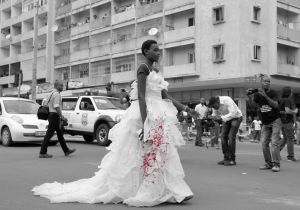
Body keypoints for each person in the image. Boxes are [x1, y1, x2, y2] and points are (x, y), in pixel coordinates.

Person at [32, 40, 194, 206]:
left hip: (159, 115)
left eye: (159, 50)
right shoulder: (143, 69)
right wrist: (146, 124)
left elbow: (165, 96)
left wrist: (186, 108)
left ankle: (172, 189)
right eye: (155, 50)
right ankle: (147, 189)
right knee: (138, 154)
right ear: (146, 52)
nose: (159, 52)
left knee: (161, 152)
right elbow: (142, 97)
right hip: (144, 115)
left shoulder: (156, 71)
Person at [247, 75, 281, 172]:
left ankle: (276, 164)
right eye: (265, 81)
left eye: (268, 81)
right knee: (264, 143)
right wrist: (249, 96)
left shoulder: (273, 92)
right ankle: (268, 163)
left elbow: (275, 105)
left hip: (275, 120)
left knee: (274, 142)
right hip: (266, 122)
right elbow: (252, 106)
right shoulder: (257, 94)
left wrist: (265, 96)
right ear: (261, 83)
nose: (267, 83)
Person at [38, 80, 76, 158]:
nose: (62, 87)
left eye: (62, 85)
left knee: (59, 134)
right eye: (61, 85)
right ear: (57, 86)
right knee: (49, 134)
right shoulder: (57, 94)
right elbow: (56, 106)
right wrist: (62, 116)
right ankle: (42, 152)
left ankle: (66, 150)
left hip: (51, 115)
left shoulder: (51, 93)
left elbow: (46, 104)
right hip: (54, 116)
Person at [207, 96, 243, 166]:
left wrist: (221, 118)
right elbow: (215, 114)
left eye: (214, 106)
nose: (214, 108)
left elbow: (233, 113)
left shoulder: (227, 100)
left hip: (236, 117)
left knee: (231, 137)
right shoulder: (214, 105)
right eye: (212, 107)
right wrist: (212, 118)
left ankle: (232, 159)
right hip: (226, 119)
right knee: (223, 137)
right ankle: (226, 158)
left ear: (217, 102)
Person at [279, 86, 298, 162]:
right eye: (291, 91)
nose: (292, 93)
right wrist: (295, 111)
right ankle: (290, 156)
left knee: (285, 138)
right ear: (289, 92)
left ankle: (276, 152)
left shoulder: (281, 100)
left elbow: (281, 111)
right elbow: (287, 110)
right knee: (290, 138)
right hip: (288, 122)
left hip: (282, 122)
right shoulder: (288, 100)